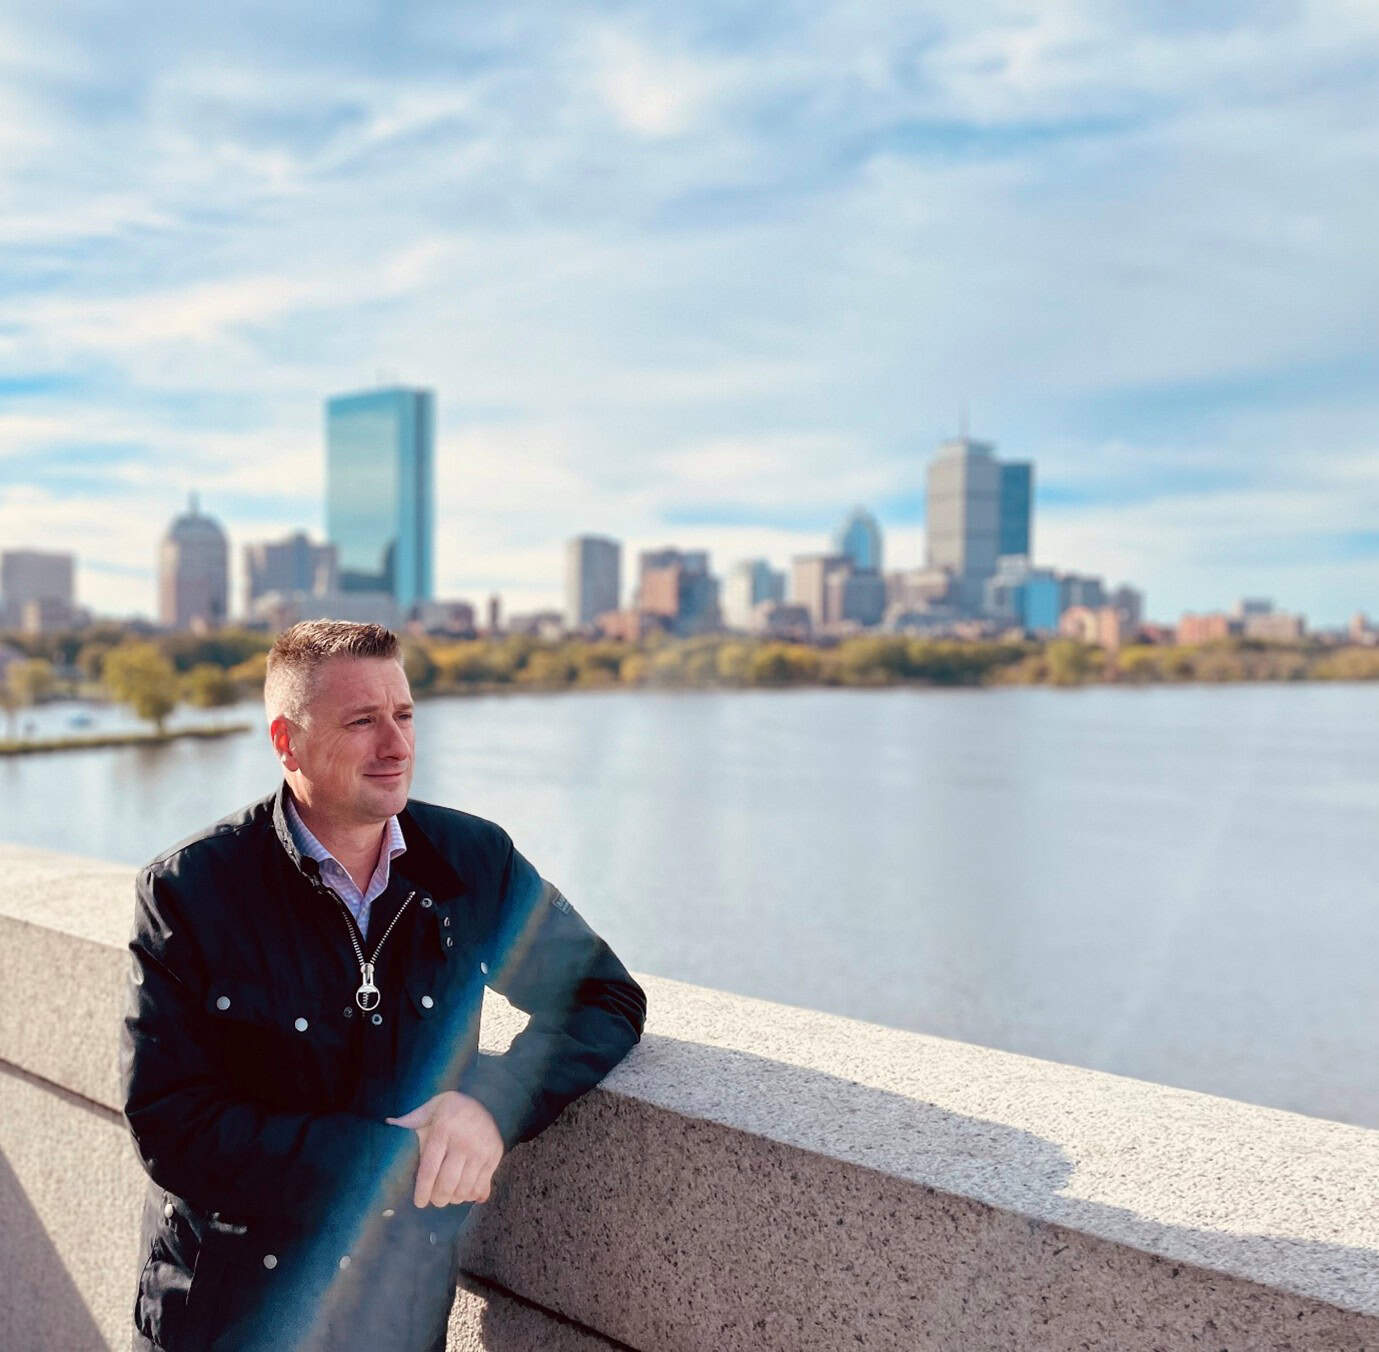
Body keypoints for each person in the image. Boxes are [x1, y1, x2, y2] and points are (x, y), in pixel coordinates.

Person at [120, 620, 646, 1351]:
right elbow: (172, 1124)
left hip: (394, 1319)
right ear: (286, 741)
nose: (396, 747)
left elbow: (604, 996)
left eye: (403, 715)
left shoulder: (471, 860)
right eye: (362, 721)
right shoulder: (191, 890)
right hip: (227, 1314)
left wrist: (491, 1105)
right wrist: (392, 1162)